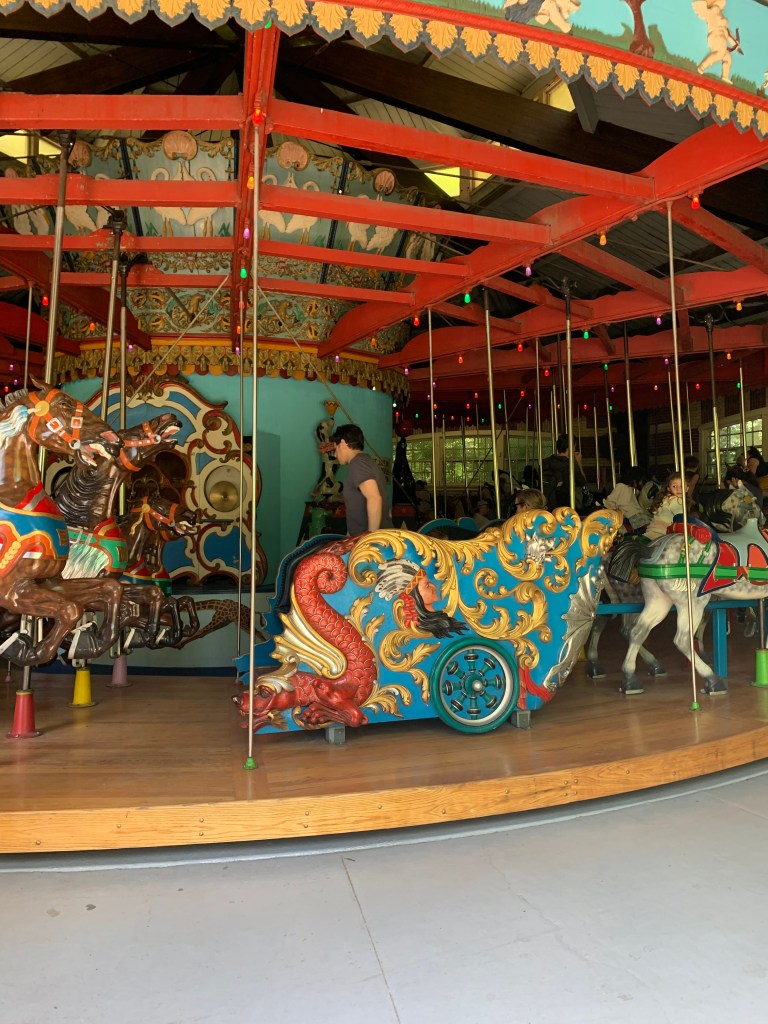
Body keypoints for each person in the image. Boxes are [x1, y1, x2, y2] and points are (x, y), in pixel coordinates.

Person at [324, 424, 393, 536]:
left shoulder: (358, 463)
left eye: (335, 449)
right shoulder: (367, 462)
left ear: (343, 443)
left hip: (372, 540)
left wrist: (370, 539)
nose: (335, 455)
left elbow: (375, 498)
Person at [541, 435, 587, 511]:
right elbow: (582, 482)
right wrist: (578, 463)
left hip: (548, 503)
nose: (574, 449)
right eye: (574, 447)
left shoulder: (545, 462)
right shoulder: (570, 465)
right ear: (569, 448)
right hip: (566, 504)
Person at [644, 472, 690, 542]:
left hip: (652, 531)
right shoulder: (677, 501)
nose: (678, 489)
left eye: (682, 486)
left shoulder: (666, 498)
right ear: (669, 488)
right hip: (662, 534)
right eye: (674, 486)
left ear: (687, 488)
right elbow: (681, 519)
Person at [603, 467, 651, 531]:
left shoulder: (630, 489)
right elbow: (610, 502)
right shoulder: (621, 486)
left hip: (635, 515)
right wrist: (618, 513)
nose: (640, 483)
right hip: (631, 516)